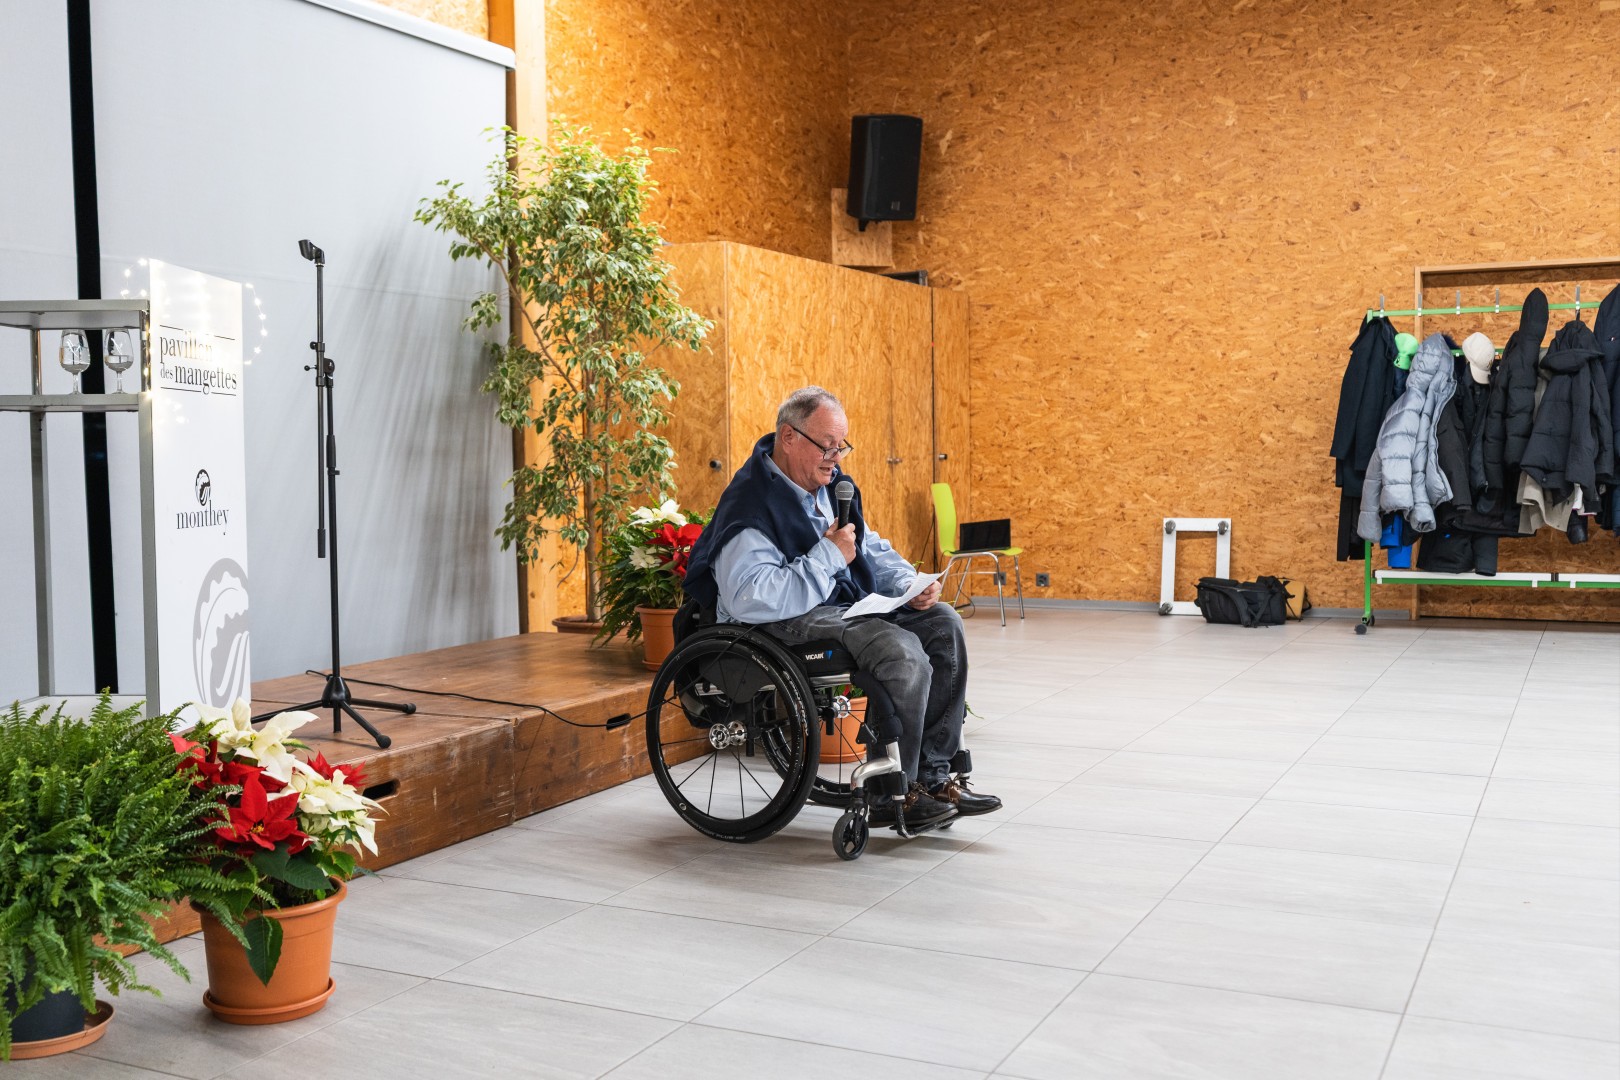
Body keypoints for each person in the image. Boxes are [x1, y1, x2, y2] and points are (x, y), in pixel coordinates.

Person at [683, 386, 1001, 830]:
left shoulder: (830, 486)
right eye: (827, 445)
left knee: (942, 622)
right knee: (896, 647)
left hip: (833, 606)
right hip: (773, 623)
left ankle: (933, 777)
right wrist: (829, 555)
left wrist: (908, 583)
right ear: (789, 437)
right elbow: (751, 597)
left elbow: (864, 544)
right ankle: (894, 792)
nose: (835, 457)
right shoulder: (751, 505)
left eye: (841, 446)